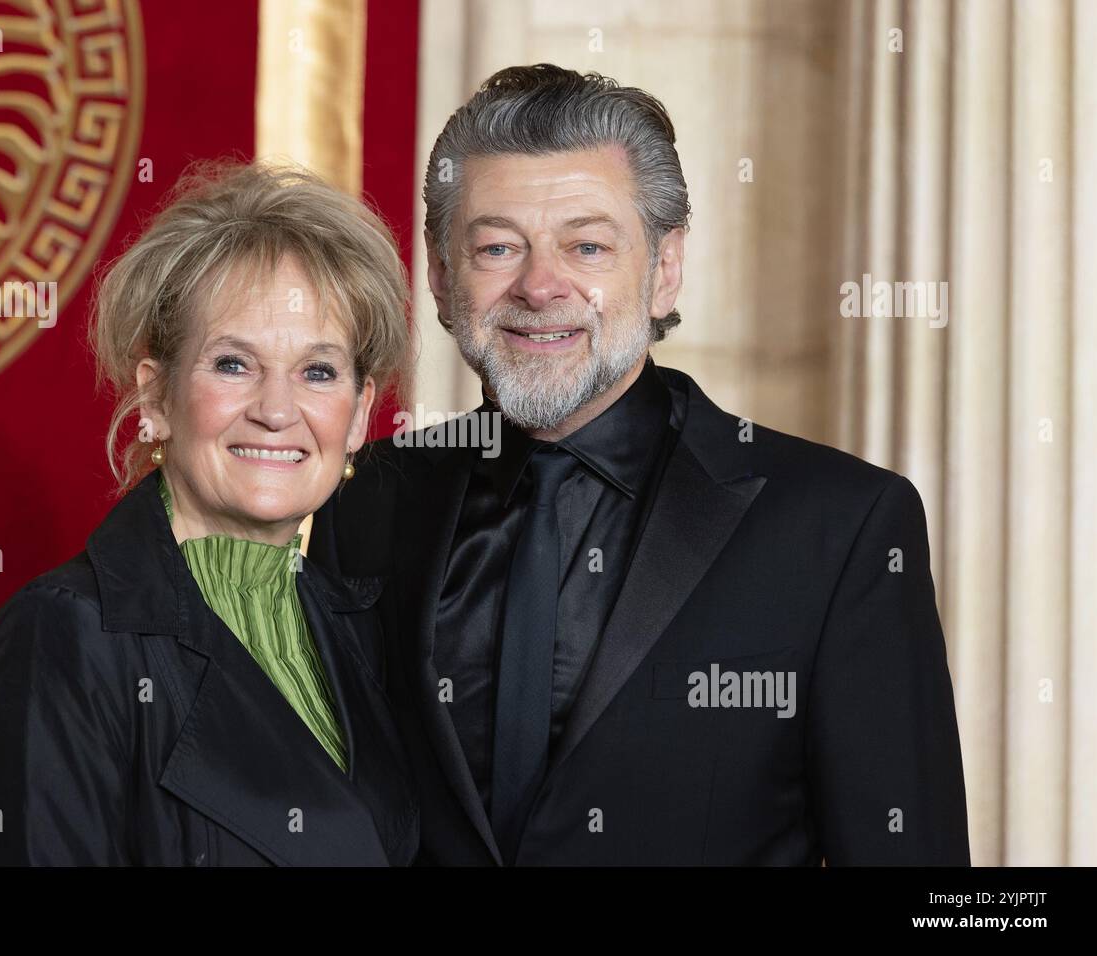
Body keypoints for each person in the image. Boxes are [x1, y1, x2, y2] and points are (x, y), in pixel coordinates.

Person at [309, 64, 971, 865]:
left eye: (587, 245)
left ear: (663, 271)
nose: (541, 285)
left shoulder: (841, 527)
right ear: (444, 279)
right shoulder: (363, 500)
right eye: (497, 247)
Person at [0, 159, 417, 866]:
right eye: (233, 364)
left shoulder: (363, 631)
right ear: (157, 398)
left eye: (318, 372)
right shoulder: (63, 637)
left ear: (357, 417)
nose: (277, 410)